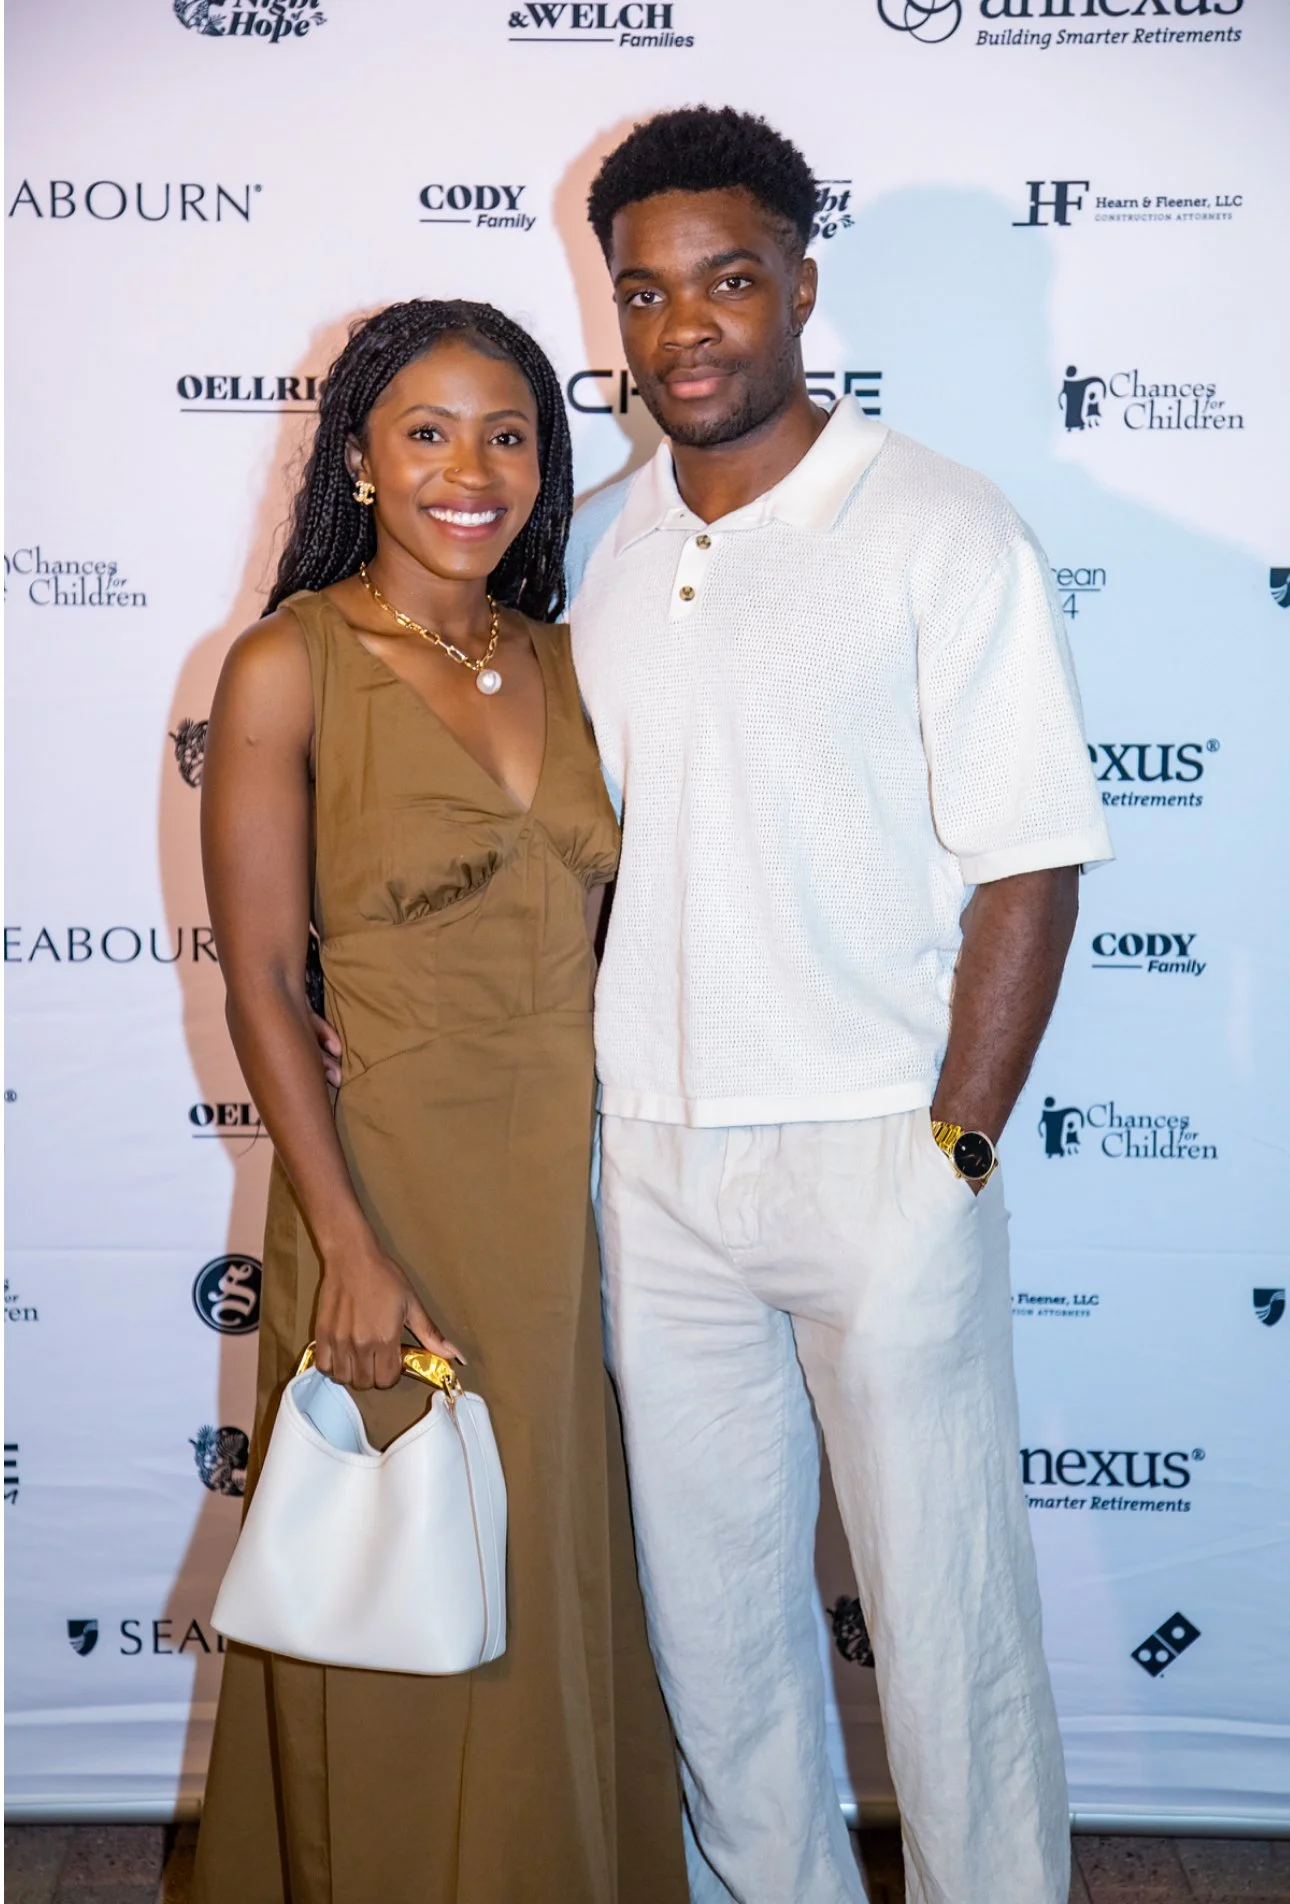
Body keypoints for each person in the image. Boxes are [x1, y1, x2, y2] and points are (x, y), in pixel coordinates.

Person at [565, 109, 1114, 1904]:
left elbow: (1029, 856)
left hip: (879, 1144)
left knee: (944, 1623)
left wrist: (951, 1140)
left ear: (802, 284)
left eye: (728, 280)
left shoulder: (939, 524)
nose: (685, 329)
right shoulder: (588, 548)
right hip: (650, 1159)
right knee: (714, 1635)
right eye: (644, 294)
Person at [193, 299, 687, 1904]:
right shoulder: (287, 663)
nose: (470, 469)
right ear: (357, 456)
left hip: (585, 1200)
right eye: (426, 431)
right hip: (389, 1187)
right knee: (392, 1601)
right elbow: (264, 979)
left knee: (546, 1591)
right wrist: (344, 1245)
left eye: (510, 433)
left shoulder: (569, 655)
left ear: (548, 464)